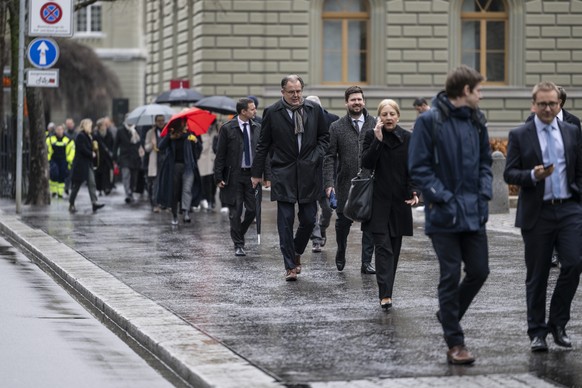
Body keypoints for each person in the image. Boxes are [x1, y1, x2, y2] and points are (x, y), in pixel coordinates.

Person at [408, 65, 492, 365]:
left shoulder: (476, 121)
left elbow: (486, 162)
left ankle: (448, 312)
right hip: (443, 215)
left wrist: (484, 193)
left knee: (480, 271)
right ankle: (455, 343)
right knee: (450, 274)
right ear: (466, 91)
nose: (481, 96)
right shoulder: (430, 121)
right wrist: (443, 198)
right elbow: (419, 168)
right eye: (478, 90)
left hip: (473, 211)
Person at [504, 81, 582, 353]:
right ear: (533, 105)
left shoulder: (572, 131)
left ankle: (558, 324)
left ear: (560, 104)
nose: (548, 108)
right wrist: (532, 175)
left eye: (553, 103)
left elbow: (579, 169)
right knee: (537, 275)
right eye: (543, 104)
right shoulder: (520, 134)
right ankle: (537, 332)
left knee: (573, 264)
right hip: (538, 211)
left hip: (569, 209)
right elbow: (509, 174)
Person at [251, 74, 330, 281]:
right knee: (285, 221)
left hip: (309, 172)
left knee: (309, 218)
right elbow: (263, 145)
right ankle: (289, 266)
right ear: (282, 92)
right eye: (291, 92)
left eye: (298, 91)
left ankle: (296, 252)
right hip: (283, 172)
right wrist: (256, 174)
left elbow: (324, 137)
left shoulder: (314, 110)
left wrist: (316, 156)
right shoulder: (272, 112)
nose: (296, 95)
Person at [361, 99, 418, 310]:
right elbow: (366, 163)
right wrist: (377, 140)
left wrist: (415, 191)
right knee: (383, 248)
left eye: (391, 114)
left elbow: (414, 168)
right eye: (384, 114)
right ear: (379, 117)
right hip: (377, 202)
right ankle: (384, 295)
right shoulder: (371, 135)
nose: (388, 118)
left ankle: (388, 291)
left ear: (398, 116)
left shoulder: (408, 138)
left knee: (394, 250)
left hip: (400, 203)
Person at [323, 86, 376, 274]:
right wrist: (329, 184)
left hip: (370, 182)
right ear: (346, 103)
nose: (357, 103)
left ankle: (366, 262)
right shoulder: (336, 126)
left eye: (359, 99)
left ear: (364, 101)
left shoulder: (375, 123)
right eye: (353, 100)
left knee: (370, 224)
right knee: (343, 223)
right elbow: (329, 156)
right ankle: (341, 251)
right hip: (345, 183)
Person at [214, 98, 264, 256]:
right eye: (252, 109)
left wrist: (265, 175)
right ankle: (238, 244)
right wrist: (218, 177)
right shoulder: (228, 128)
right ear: (243, 112)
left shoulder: (257, 127)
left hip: (252, 176)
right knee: (235, 211)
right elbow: (220, 154)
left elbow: (263, 153)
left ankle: (239, 232)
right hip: (234, 176)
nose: (255, 111)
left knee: (253, 210)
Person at [305, 95, 338, 254]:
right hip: (308, 171)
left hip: (327, 172)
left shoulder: (333, 120)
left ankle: (322, 229)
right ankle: (316, 240)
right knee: (311, 210)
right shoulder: (301, 120)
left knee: (327, 209)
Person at [157, 118, 203, 225]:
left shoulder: (190, 135)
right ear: (180, 126)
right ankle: (174, 215)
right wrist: (169, 136)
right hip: (175, 168)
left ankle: (186, 212)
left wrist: (196, 141)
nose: (187, 126)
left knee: (187, 190)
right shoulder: (172, 136)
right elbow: (160, 147)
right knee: (175, 192)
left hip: (188, 167)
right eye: (185, 125)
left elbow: (199, 149)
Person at [68, 119, 105, 213]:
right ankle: (71, 203)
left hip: (88, 164)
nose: (91, 127)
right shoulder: (80, 135)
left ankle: (94, 203)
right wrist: (91, 153)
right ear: (85, 126)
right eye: (89, 126)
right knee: (77, 185)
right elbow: (82, 148)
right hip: (80, 165)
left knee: (92, 183)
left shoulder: (89, 136)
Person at [114, 121, 144, 204]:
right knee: (126, 175)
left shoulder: (137, 130)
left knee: (134, 177)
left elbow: (141, 143)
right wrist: (115, 157)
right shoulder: (120, 131)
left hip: (135, 157)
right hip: (125, 157)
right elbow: (116, 144)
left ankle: (131, 191)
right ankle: (128, 193)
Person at [46, 124, 75, 198]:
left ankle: (60, 192)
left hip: (64, 160)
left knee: (62, 175)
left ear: (63, 130)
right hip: (53, 159)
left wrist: (69, 160)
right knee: (54, 174)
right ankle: (54, 191)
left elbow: (72, 149)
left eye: (61, 129)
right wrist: (48, 159)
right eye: (58, 129)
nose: (59, 131)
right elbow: (47, 149)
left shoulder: (68, 139)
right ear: (55, 130)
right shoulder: (50, 138)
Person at [144, 115, 165, 212]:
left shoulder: (167, 131)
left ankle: (163, 203)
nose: (161, 122)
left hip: (165, 160)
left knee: (164, 184)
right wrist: (152, 145)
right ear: (155, 122)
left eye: (162, 120)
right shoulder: (150, 133)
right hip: (155, 161)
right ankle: (155, 204)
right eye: (159, 120)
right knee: (155, 184)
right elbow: (146, 148)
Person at [199, 119, 219, 211]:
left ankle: (212, 199)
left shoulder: (216, 131)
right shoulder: (201, 132)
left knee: (213, 181)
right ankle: (205, 199)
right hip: (203, 160)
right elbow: (202, 147)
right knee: (204, 181)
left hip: (213, 159)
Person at [93, 118, 115, 196]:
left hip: (107, 157)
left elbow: (112, 144)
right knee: (99, 174)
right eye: (103, 125)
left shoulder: (109, 134)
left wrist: (112, 153)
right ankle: (99, 189)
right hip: (99, 158)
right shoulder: (96, 135)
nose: (104, 127)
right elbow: (94, 146)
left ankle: (106, 187)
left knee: (107, 173)